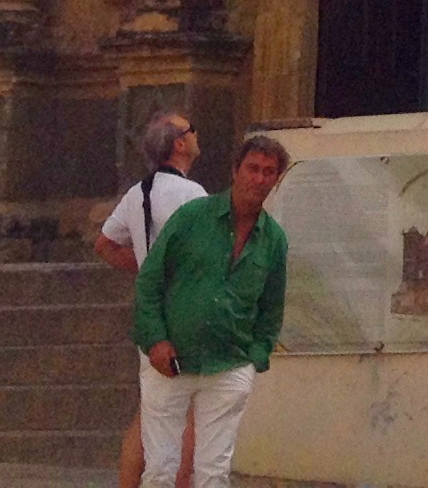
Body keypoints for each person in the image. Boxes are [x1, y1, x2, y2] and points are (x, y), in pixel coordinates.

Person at [133, 132, 292, 488]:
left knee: (213, 472)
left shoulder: (274, 239)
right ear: (235, 170)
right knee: (160, 467)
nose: (260, 178)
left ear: (277, 179)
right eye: (252, 168)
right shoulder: (193, 217)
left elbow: (271, 306)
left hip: (229, 364)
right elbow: (149, 280)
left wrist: (256, 356)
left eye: (269, 171)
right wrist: (155, 339)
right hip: (170, 359)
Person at [98, 113, 206, 488]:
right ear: (179, 143)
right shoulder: (192, 195)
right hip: (185, 314)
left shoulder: (138, 192)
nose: (195, 135)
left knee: (150, 414)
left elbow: (105, 244)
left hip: (151, 315)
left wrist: (145, 266)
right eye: (191, 130)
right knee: (189, 416)